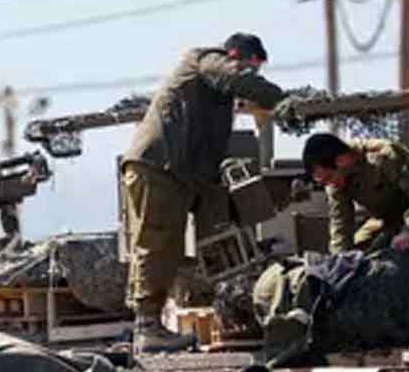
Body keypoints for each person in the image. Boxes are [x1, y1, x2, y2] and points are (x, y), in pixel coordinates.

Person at [122, 32, 294, 354]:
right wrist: (281, 99)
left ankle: (168, 318)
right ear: (234, 56)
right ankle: (147, 328)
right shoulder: (205, 59)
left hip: (181, 172)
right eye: (250, 67)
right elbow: (234, 77)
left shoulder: (215, 94)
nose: (251, 75)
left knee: (203, 236)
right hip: (160, 165)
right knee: (158, 242)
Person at [301, 133, 409, 255]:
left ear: (341, 160)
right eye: (323, 182)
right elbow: (340, 222)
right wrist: (340, 256)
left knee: (392, 258)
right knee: (358, 254)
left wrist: (408, 231)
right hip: (389, 221)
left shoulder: (383, 155)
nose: (329, 184)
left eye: (329, 177)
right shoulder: (335, 180)